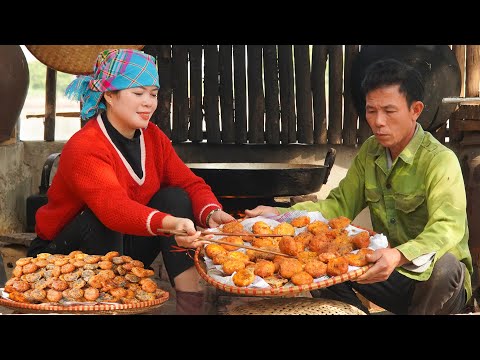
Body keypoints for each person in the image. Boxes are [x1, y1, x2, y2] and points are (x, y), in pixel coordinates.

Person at [245, 58, 473, 315]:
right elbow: (338, 206)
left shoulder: (440, 160)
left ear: (415, 110)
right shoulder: (370, 153)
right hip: (389, 274)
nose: (378, 121)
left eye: (389, 111)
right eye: (371, 110)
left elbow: (448, 228)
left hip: (438, 288)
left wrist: (397, 255)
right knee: (322, 262)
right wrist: (283, 216)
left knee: (446, 265)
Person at [27, 48, 235, 314]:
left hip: (118, 250)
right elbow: (114, 210)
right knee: (99, 217)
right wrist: (171, 224)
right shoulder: (85, 146)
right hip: (62, 256)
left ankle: (190, 307)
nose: (148, 102)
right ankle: (107, 305)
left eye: (154, 94)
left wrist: (211, 213)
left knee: (174, 197)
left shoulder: (153, 138)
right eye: (138, 93)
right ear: (110, 95)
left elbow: (189, 183)